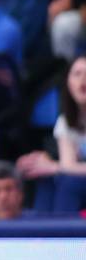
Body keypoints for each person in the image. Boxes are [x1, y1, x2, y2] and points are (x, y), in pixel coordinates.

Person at [17, 55, 86, 213]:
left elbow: (67, 167)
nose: (83, 80)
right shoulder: (65, 121)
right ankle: (44, 234)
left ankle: (66, 235)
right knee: (45, 177)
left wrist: (54, 166)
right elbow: (68, 164)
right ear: (68, 82)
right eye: (77, 74)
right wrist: (43, 164)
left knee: (69, 182)